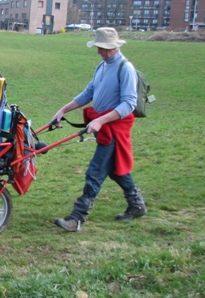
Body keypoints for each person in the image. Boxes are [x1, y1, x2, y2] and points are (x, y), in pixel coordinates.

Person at [50, 27, 147, 232]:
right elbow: (89, 93)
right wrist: (63, 110)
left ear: (113, 47)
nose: (99, 51)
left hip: (114, 128)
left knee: (95, 171)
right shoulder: (101, 66)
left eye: (102, 47)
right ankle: (137, 205)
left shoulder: (125, 68)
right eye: (98, 47)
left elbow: (129, 103)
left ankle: (77, 218)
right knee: (114, 170)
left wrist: (101, 120)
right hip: (104, 125)